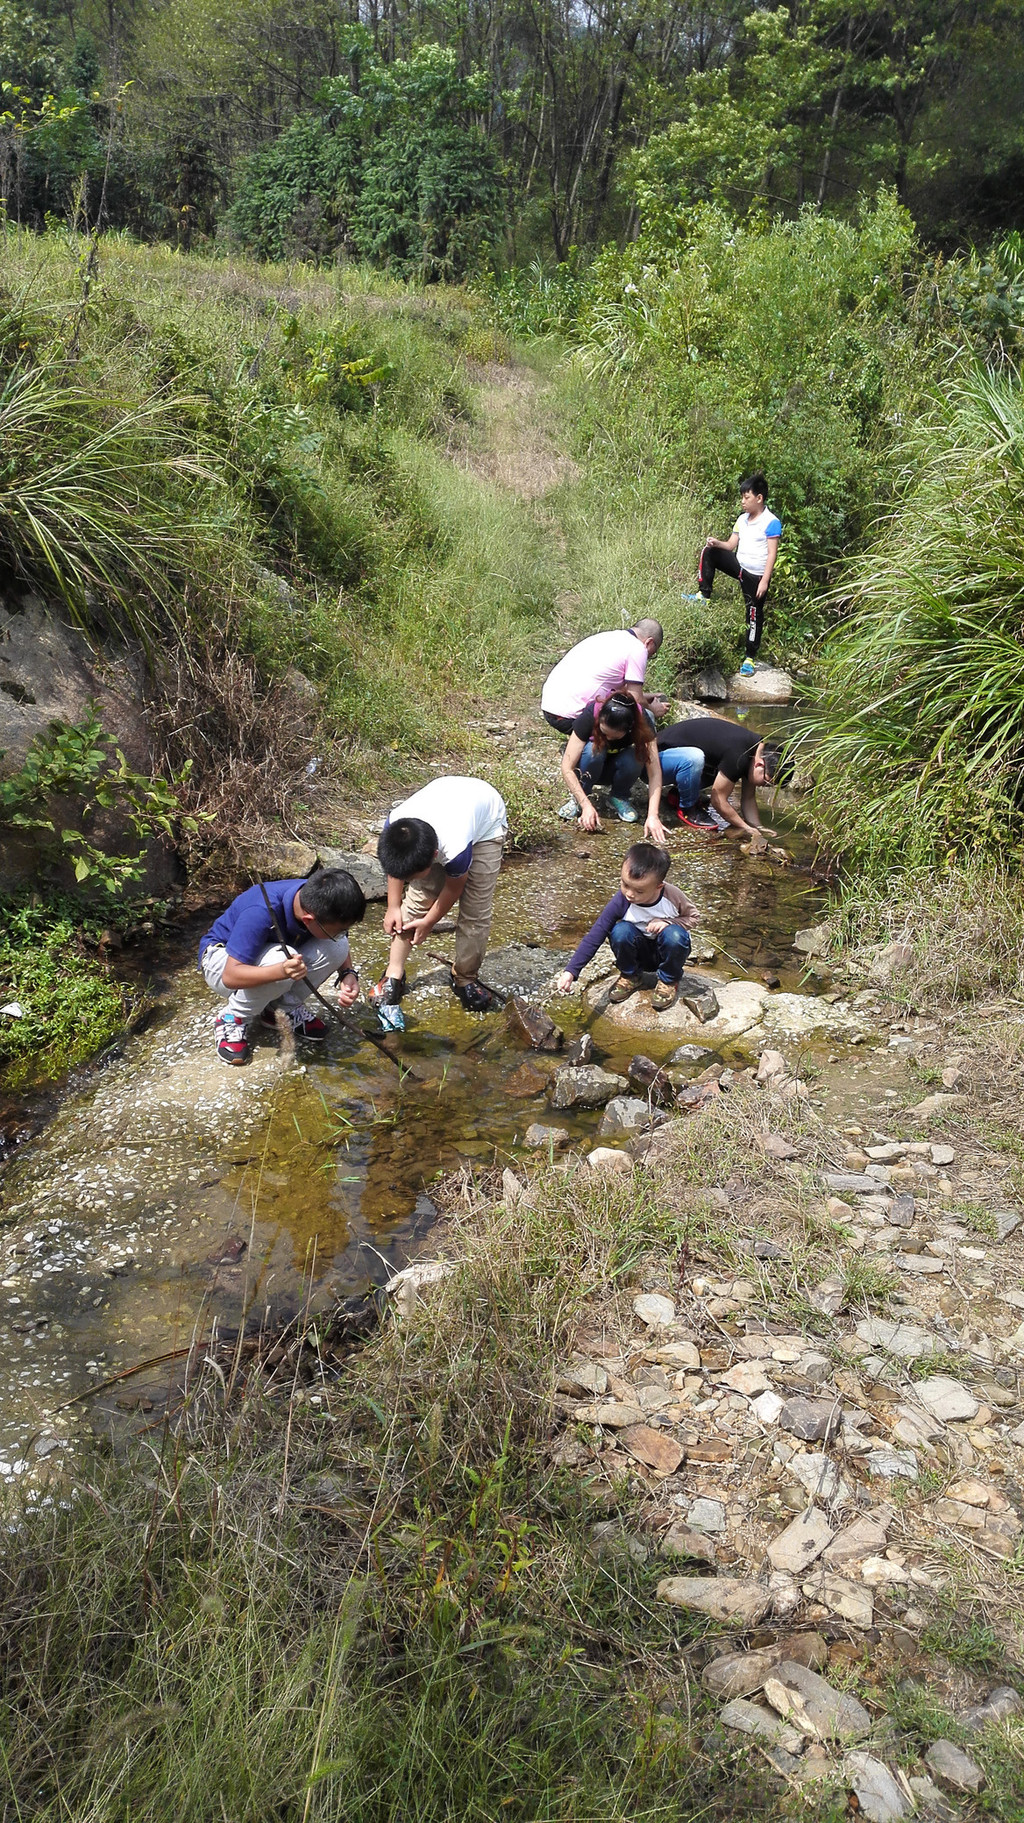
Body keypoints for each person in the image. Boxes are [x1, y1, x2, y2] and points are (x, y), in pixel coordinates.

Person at [370, 776, 507, 1017]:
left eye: (414, 875)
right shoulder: (395, 827)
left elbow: (454, 888)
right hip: (445, 803)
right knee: (418, 899)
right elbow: (395, 867)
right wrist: (393, 906)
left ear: (434, 856)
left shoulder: (454, 849)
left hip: (487, 822)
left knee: (476, 911)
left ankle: (464, 976)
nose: (409, 880)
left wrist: (430, 921)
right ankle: (394, 972)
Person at [199, 869, 365, 1066]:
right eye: (337, 931)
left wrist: (348, 973)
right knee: (283, 959)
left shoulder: (316, 897)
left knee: (337, 947)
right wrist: (280, 972)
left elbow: (338, 941)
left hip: (267, 957)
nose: (341, 934)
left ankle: (279, 1010)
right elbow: (230, 976)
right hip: (221, 960)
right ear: (309, 920)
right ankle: (233, 1017)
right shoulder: (260, 910)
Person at [556, 842, 699, 1013]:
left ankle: (668, 981)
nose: (630, 894)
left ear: (658, 886)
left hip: (666, 952)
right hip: (638, 953)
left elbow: (693, 918)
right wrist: (571, 971)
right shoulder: (621, 900)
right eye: (625, 884)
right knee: (620, 931)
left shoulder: (672, 896)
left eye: (639, 891)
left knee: (675, 935)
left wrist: (668, 923)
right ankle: (631, 975)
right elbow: (596, 933)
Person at [684, 474, 781, 675]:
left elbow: (772, 554)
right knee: (709, 552)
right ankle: (704, 595)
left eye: (747, 497)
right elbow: (730, 545)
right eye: (742, 498)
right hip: (739, 565)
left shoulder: (771, 522)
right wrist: (716, 543)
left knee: (754, 615)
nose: (743, 502)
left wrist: (765, 580)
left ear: (759, 498)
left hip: (756, 575)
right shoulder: (741, 519)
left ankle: (749, 658)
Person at [558, 691, 668, 841]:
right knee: (594, 750)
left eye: (614, 736)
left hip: (616, 766)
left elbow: (654, 772)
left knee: (639, 754)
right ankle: (579, 797)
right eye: (604, 732)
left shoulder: (643, 722)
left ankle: (619, 796)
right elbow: (567, 767)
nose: (608, 738)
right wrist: (586, 805)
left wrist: (653, 816)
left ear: (629, 728)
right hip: (588, 765)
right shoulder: (590, 715)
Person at [656, 714, 785, 839]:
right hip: (654, 762)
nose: (764, 786)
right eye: (766, 782)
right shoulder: (739, 755)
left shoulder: (755, 750)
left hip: (673, 760)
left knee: (722, 774)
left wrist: (758, 827)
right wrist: (745, 827)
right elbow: (718, 800)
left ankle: (679, 794)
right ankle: (688, 808)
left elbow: (748, 798)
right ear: (759, 765)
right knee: (701, 763)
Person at [541, 621, 664, 733]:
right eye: (651, 654)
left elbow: (606, 684)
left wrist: (645, 697)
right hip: (571, 717)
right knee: (644, 716)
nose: (648, 657)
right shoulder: (638, 648)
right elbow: (636, 699)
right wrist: (654, 709)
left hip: (550, 707)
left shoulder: (608, 636)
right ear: (649, 642)